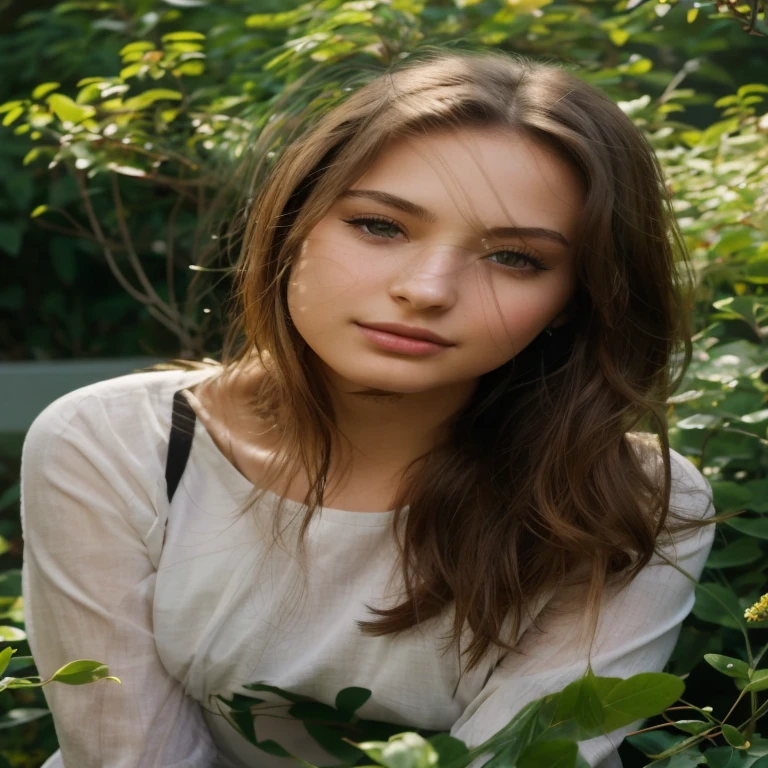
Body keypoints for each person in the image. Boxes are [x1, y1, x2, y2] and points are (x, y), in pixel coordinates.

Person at [20, 48, 717, 768]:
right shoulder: (110, 443)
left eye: (515, 257)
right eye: (381, 226)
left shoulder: (624, 501)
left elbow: (518, 760)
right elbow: (127, 756)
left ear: (574, 301)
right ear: (295, 223)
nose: (427, 289)